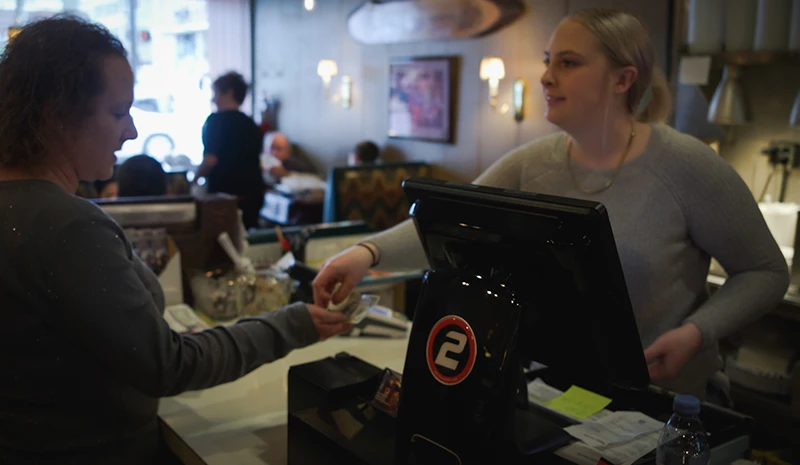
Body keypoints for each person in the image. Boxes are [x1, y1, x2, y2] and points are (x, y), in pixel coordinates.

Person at [312, 7, 789, 400]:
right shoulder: (532, 163)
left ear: (623, 79)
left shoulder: (687, 166)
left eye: (568, 63)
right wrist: (363, 255)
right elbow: (444, 221)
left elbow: (766, 271)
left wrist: (697, 333)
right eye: (548, 60)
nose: (545, 76)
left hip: (665, 402)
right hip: (564, 393)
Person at [0, 17, 351, 464]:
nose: (130, 131)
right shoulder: (66, 226)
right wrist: (293, 324)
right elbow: (168, 364)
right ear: (57, 115)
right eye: (117, 112)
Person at [194, 71, 265, 230]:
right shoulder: (251, 124)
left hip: (225, 197)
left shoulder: (215, 121)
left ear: (229, 93)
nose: (213, 98)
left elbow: (210, 160)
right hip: (253, 195)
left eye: (216, 93)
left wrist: (193, 181)